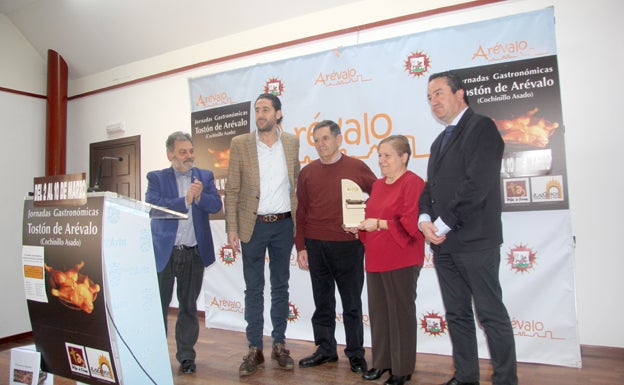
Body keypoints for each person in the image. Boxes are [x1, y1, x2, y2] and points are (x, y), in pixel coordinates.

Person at [418, 71, 518, 385]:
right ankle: (465, 377)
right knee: (457, 315)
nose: (433, 100)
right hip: (445, 245)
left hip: (476, 241)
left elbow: (478, 184)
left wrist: (443, 223)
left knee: (490, 315)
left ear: (460, 93)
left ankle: (505, 380)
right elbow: (429, 188)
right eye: (429, 96)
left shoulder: (482, 128)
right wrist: (424, 219)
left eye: (438, 92)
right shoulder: (439, 141)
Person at [225, 93, 300, 377]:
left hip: (283, 225)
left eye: (266, 109)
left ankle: (279, 345)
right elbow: (232, 188)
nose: (260, 114)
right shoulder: (240, 143)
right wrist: (231, 226)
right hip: (252, 226)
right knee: (253, 289)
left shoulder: (292, 142)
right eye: (257, 110)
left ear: (278, 114)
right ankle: (254, 348)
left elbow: (296, 183)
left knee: (281, 286)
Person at [295, 120, 376, 374]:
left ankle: (355, 353)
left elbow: (380, 195)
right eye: (316, 140)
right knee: (323, 302)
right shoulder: (307, 172)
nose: (320, 144)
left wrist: (364, 221)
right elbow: (301, 212)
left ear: (338, 139)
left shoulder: (356, 167)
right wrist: (301, 246)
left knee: (351, 304)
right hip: (315, 245)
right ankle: (326, 350)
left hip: (348, 246)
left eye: (325, 139)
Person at [145, 131, 223, 374]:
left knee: (188, 306)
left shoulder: (205, 176)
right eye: (182, 152)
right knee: (159, 305)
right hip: (165, 253)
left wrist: (199, 197)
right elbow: (154, 208)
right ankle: (153, 355)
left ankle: (187, 357)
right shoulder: (157, 178)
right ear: (170, 154)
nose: (189, 156)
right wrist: (185, 200)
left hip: (193, 253)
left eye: (191, 151)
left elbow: (216, 205)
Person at [356, 135, 426, 385]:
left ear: (404, 157)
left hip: (402, 258)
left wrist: (379, 224)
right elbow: (370, 216)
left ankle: (402, 369)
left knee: (400, 314)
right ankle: (382, 363)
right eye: (380, 155)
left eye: (387, 155)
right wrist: (359, 225)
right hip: (375, 257)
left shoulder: (413, 183)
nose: (381, 160)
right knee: (379, 314)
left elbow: (412, 222)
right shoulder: (377, 185)